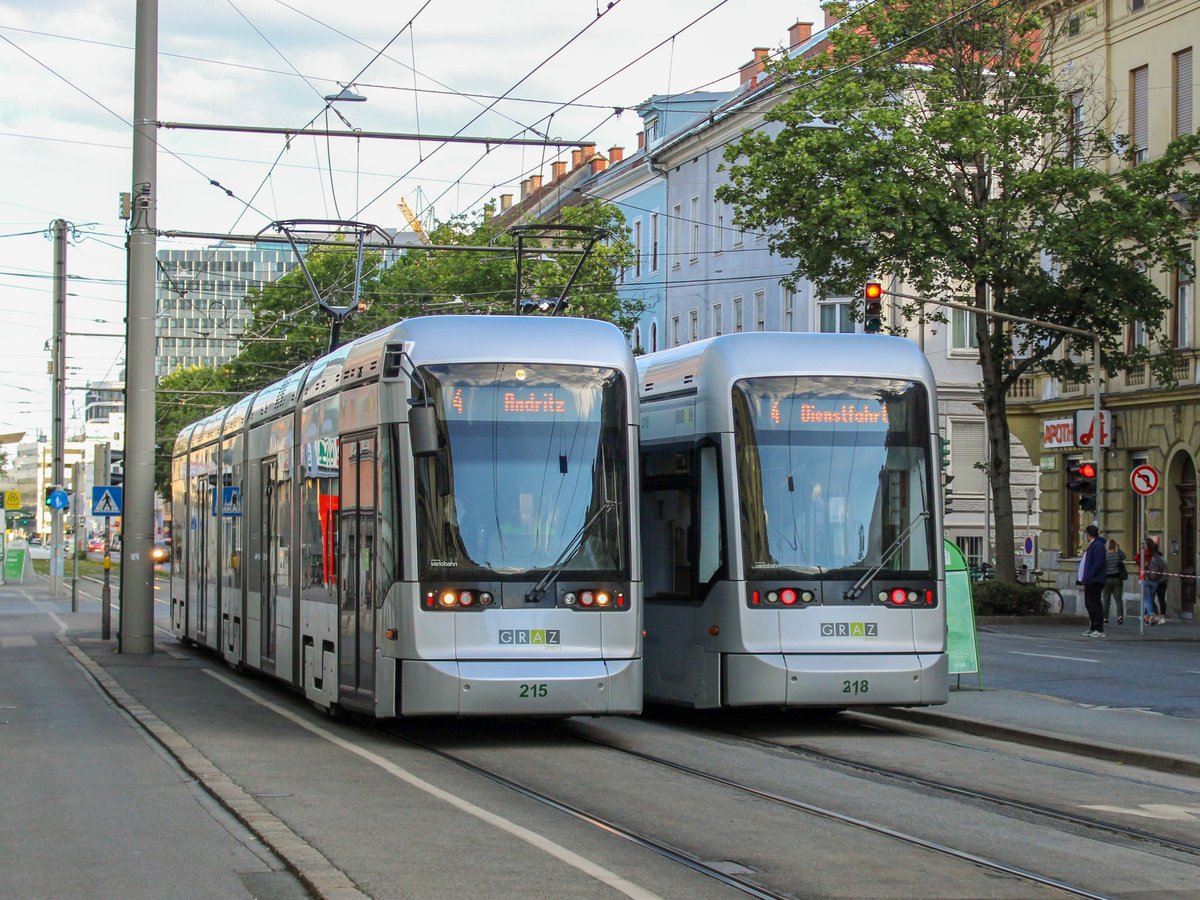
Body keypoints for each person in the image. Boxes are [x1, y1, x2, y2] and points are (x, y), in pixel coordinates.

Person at [1077, 524, 1107, 637]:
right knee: (1089, 604)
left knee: (1094, 604)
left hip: (1095, 580)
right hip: (1090, 579)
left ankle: (1099, 629)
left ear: (1089, 535)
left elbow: (1097, 563)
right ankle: (1093, 627)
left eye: (1086, 534)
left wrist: (1089, 575)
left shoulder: (1097, 545)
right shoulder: (1093, 545)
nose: (1085, 536)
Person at [1101, 539, 1127, 625]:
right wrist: (1118, 549)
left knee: (1106, 599)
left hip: (1107, 579)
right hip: (1117, 579)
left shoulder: (1105, 555)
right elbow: (1124, 556)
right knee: (1118, 599)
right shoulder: (1117, 555)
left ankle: (1105, 618)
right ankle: (1120, 616)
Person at [1142, 540, 1167, 626]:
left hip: (1149, 580)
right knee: (1154, 599)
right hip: (1158, 581)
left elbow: (1139, 561)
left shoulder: (1148, 557)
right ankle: (1149, 616)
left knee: (1148, 599)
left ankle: (1151, 615)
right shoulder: (1161, 557)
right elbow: (1165, 567)